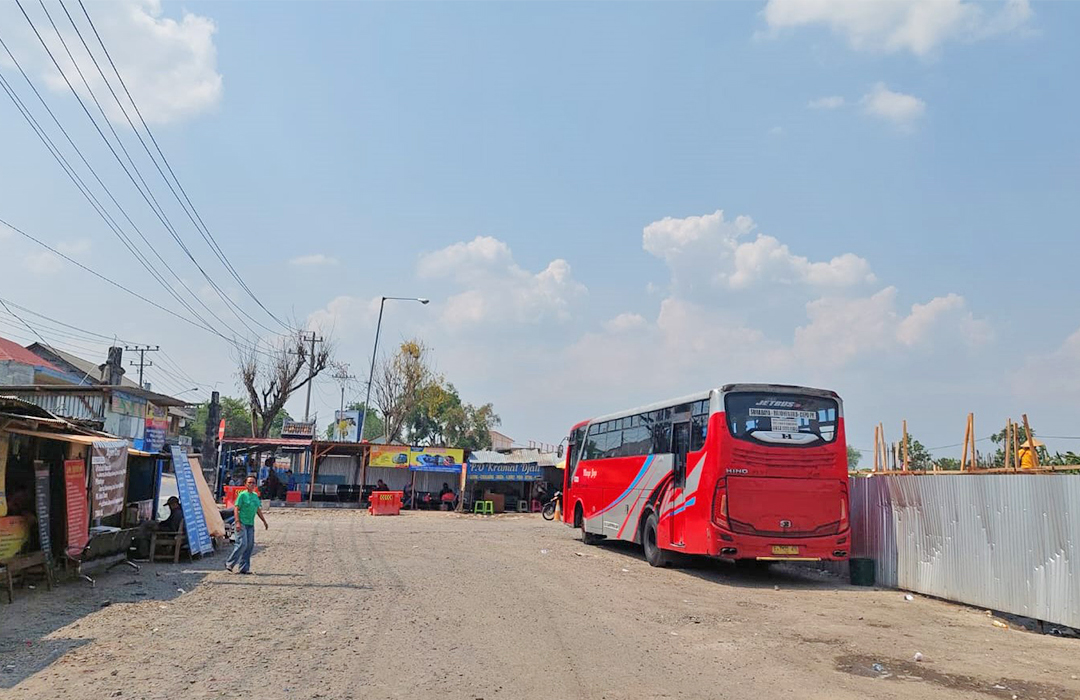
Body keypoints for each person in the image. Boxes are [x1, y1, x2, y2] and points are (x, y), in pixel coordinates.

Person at [226, 476, 268, 574]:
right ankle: (230, 563)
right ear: (245, 484)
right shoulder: (242, 495)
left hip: (250, 524)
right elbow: (236, 508)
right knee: (242, 544)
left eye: (253, 483)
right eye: (249, 483)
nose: (251, 484)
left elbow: (258, 510)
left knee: (249, 546)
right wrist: (237, 522)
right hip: (242, 523)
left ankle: (244, 568)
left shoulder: (255, 496)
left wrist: (264, 521)